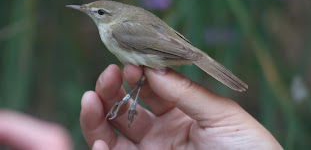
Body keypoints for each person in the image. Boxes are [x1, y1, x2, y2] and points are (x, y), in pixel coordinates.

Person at [80, 64, 283, 150]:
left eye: (99, 12)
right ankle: (127, 104)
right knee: (136, 77)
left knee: (139, 77)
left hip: (159, 61)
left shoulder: (116, 31)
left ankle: (127, 104)